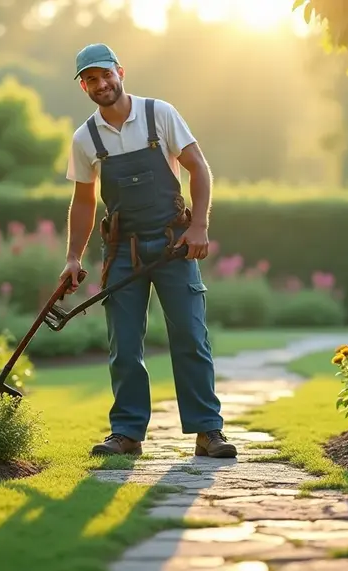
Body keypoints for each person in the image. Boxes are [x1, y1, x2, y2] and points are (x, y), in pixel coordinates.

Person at [59, 43, 236, 459]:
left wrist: (199, 226)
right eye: (90, 79)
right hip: (122, 249)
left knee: (191, 336)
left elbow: (199, 167)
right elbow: (84, 201)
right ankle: (126, 433)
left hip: (174, 244)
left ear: (120, 71)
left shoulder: (160, 114)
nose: (100, 84)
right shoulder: (85, 138)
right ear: (83, 86)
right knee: (124, 342)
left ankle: (208, 431)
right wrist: (72, 257)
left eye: (105, 75)